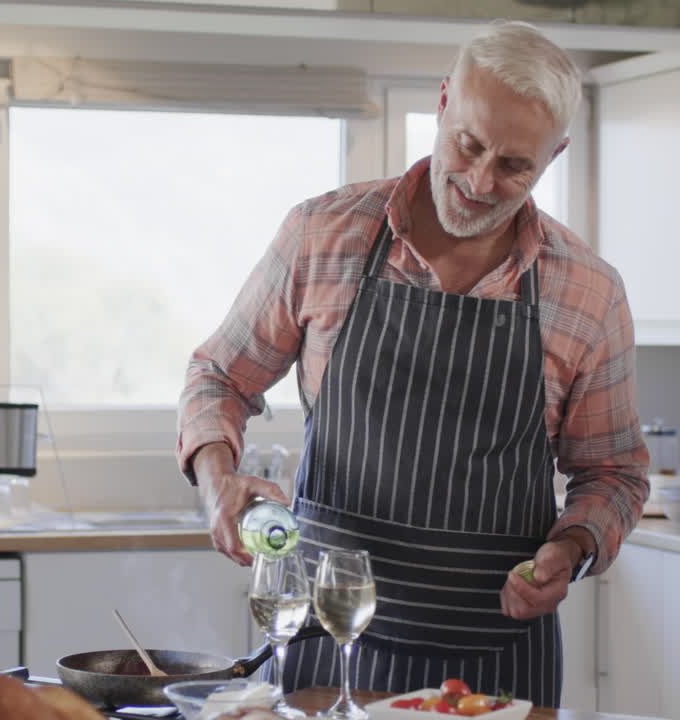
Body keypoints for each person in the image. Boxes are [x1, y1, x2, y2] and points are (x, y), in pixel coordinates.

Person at [177, 21, 648, 708]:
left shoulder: (588, 292)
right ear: (442, 103)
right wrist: (218, 481)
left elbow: (613, 471)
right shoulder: (324, 234)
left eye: (515, 165)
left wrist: (573, 546)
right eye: (470, 144)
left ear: (557, 154)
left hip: (496, 664)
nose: (482, 182)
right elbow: (219, 376)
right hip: (325, 646)